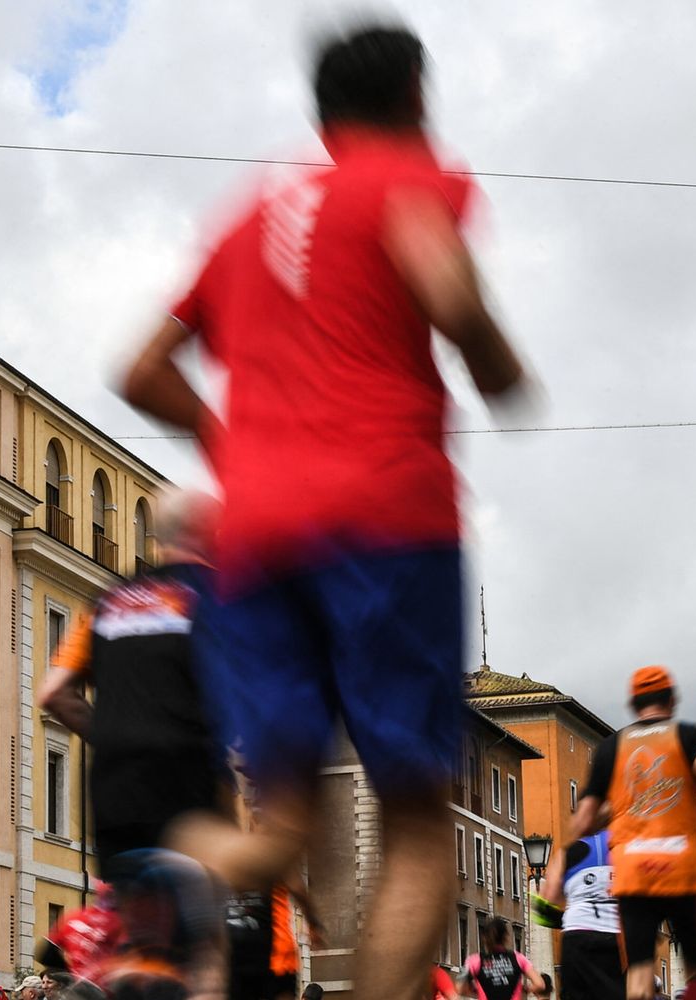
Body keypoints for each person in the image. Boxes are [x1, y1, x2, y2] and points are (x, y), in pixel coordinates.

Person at [122, 22, 531, 1000]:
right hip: (386, 520)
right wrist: (496, 362)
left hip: (257, 539)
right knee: (420, 823)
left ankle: (187, 842)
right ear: (416, 99)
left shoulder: (249, 212)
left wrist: (239, 450)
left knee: (285, 830)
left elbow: (140, 371)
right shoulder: (404, 178)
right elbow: (450, 293)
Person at [38, 490, 231, 879]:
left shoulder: (111, 601)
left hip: (115, 790)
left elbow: (52, 692)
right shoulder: (219, 596)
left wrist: (112, 735)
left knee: (134, 917)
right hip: (186, 782)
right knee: (202, 918)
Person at [570, 666, 696, 1000]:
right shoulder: (690, 735)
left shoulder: (612, 747)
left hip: (633, 872)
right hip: (682, 866)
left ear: (633, 705)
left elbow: (582, 822)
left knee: (640, 970)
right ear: (672, 700)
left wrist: (618, 811)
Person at [537, 830, 622, 1000]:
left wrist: (568, 917)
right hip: (616, 936)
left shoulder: (568, 852)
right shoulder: (625, 846)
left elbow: (544, 903)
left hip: (577, 933)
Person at [463, 917, 550, 1000]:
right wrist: (525, 989)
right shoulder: (518, 958)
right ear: (505, 937)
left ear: (485, 938)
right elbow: (540, 984)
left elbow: (460, 985)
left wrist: (474, 989)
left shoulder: (474, 961)